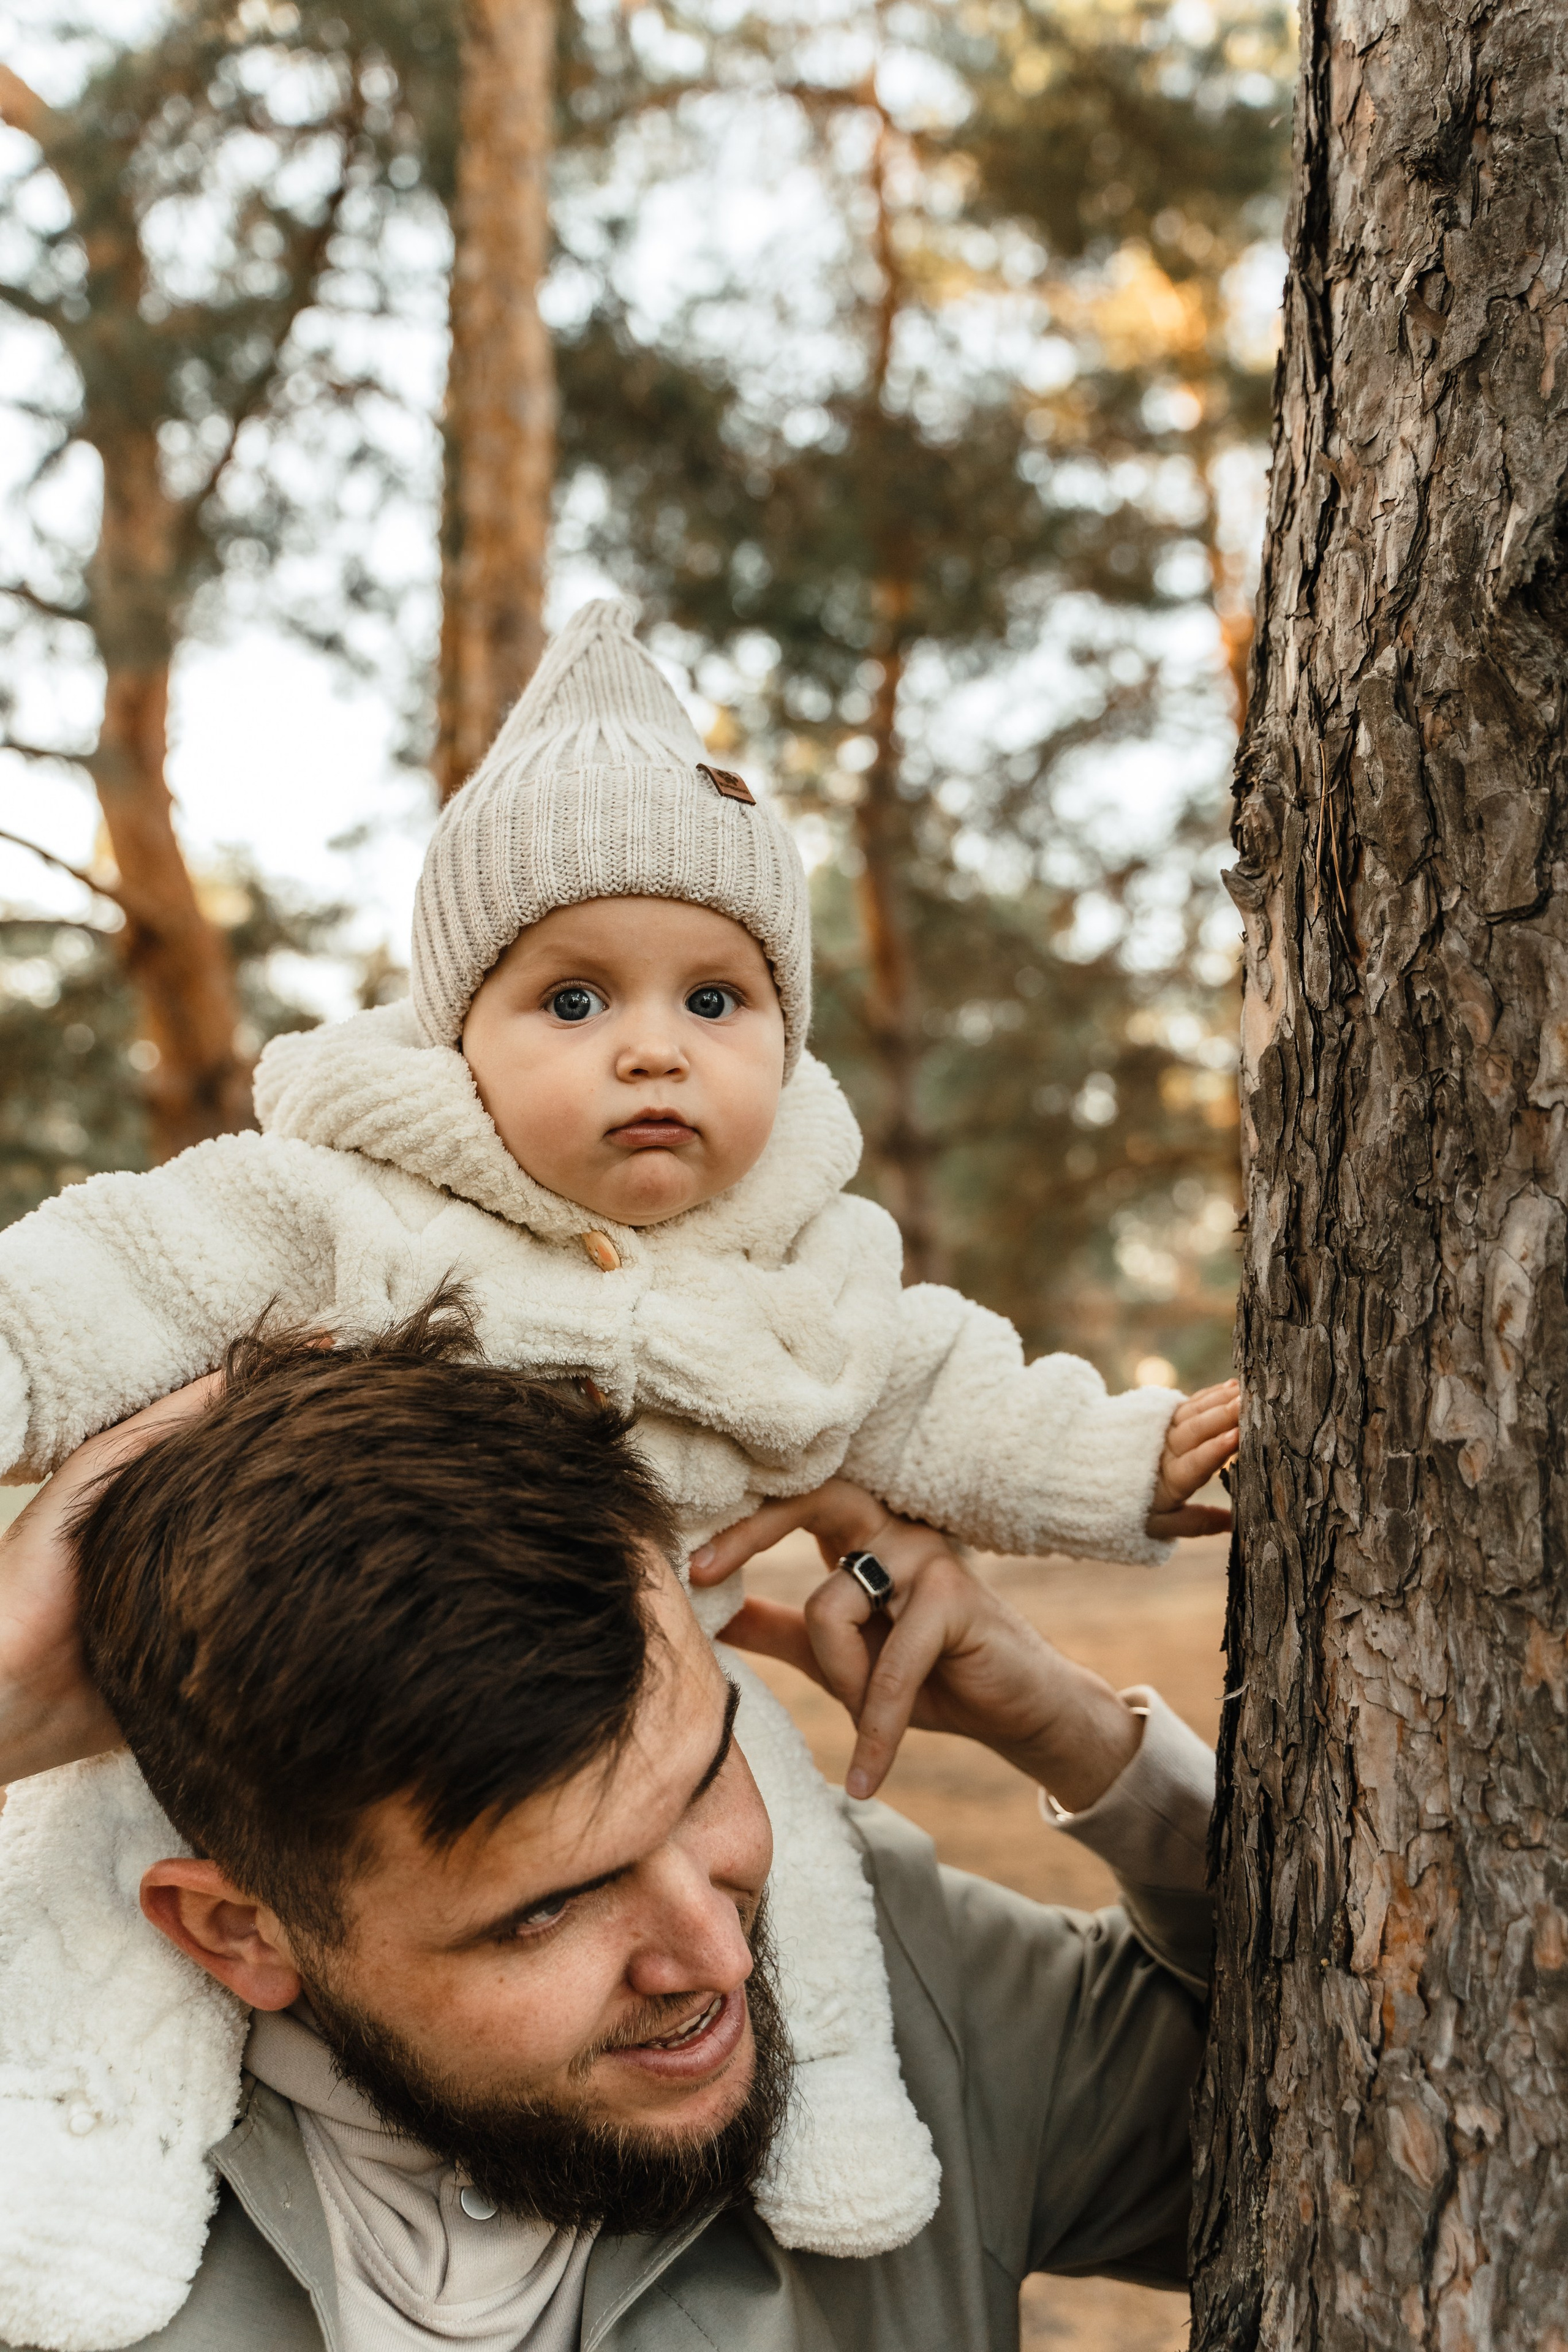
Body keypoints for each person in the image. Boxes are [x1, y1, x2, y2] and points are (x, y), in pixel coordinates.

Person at [0, 595, 1236, 2263]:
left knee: (805, 1889)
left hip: (697, 1671)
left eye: (715, 1002)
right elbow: (110, 1276)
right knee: (74, 1961)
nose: (652, 1046)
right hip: (293, 1740)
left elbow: (942, 1389)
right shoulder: (341, 1207)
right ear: (457, 1038)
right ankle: (81, 2224)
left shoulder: (801, 1269)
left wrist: (1119, 1494)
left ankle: (842, 2160)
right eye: (573, 1003)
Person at [0, 1305, 1215, 2352]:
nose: (719, 1959)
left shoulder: (891, 1983)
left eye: (700, 1787)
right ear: (234, 1932)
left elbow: (1362, 2089)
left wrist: (1075, 1737)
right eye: (548, 1907)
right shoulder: (48, 2172)